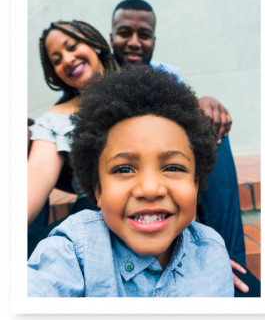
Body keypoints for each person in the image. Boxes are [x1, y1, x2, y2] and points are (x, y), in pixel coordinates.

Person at [28, 65, 234, 297]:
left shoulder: (212, 253)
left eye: (173, 167)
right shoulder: (74, 249)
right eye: (124, 168)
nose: (150, 189)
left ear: (195, 185)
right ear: (99, 190)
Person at [110, 0, 257, 295]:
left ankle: (231, 261)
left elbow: (188, 114)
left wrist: (205, 102)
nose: (135, 42)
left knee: (211, 129)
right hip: (127, 175)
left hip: (168, 169)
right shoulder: (100, 76)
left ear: (154, 39)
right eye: (125, 33)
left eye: (145, 34)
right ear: (112, 37)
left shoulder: (167, 75)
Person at [27, 20, 118, 229]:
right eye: (56, 60)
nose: (67, 60)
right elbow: (32, 185)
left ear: (93, 43)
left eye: (72, 46)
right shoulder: (54, 121)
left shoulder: (143, 86)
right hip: (92, 223)